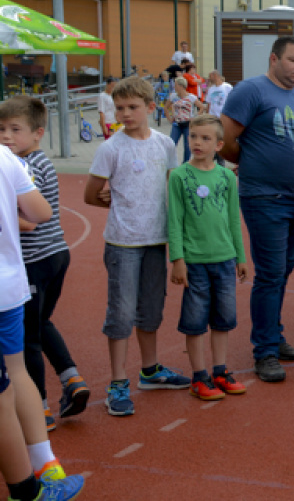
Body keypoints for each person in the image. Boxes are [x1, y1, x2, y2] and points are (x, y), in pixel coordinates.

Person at [83, 76, 190, 416]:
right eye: (120, 108)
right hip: (123, 243)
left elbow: (171, 191)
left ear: (150, 107)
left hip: (156, 241)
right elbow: (91, 195)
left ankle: (150, 369)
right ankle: (117, 382)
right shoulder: (110, 148)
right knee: (121, 313)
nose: (125, 114)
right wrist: (118, 205)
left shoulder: (164, 145)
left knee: (151, 309)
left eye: (132, 107)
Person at [221, 36, 294, 382]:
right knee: (270, 274)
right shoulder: (251, 91)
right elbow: (225, 138)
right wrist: (249, 162)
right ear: (274, 59)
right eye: (293, 60)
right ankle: (263, 350)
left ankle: (274, 338)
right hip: (265, 199)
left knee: (284, 270)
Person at [0, 143, 86, 501]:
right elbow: (41, 211)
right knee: (13, 376)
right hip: (7, 288)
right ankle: (44, 466)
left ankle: (29, 484)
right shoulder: (6, 157)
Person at [0, 98, 89, 429]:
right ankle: (71, 377)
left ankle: (39, 409)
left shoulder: (26, 166)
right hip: (55, 254)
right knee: (42, 321)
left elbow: (29, 222)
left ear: (37, 133)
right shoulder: (36, 160)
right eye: (1, 130)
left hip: (36, 259)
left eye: (15, 130)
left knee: (26, 339)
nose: (6, 136)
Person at [167, 114, 249, 401]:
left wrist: (240, 256)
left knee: (223, 320)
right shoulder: (178, 176)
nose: (197, 143)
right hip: (194, 262)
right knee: (195, 321)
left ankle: (220, 371)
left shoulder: (227, 177)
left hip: (225, 259)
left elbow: (233, 220)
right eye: (193, 137)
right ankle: (199, 375)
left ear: (219, 144)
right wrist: (177, 259)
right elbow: (174, 221)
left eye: (205, 138)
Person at [167, 78, 197, 164]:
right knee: (171, 144)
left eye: (175, 85)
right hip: (176, 124)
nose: (174, 87)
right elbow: (166, 107)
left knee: (187, 146)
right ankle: (170, 163)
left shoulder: (191, 97)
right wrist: (170, 118)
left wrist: (194, 117)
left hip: (188, 124)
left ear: (181, 86)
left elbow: (201, 107)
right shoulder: (173, 96)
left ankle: (185, 164)